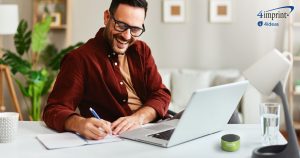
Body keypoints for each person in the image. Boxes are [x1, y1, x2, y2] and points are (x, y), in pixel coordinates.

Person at [43, 0, 171, 140]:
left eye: (135, 29)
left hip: (156, 126)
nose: (127, 36)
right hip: (119, 140)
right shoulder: (79, 59)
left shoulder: (142, 50)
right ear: (106, 17)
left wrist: (138, 118)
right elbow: (53, 109)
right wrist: (79, 123)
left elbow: (160, 94)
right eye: (121, 25)